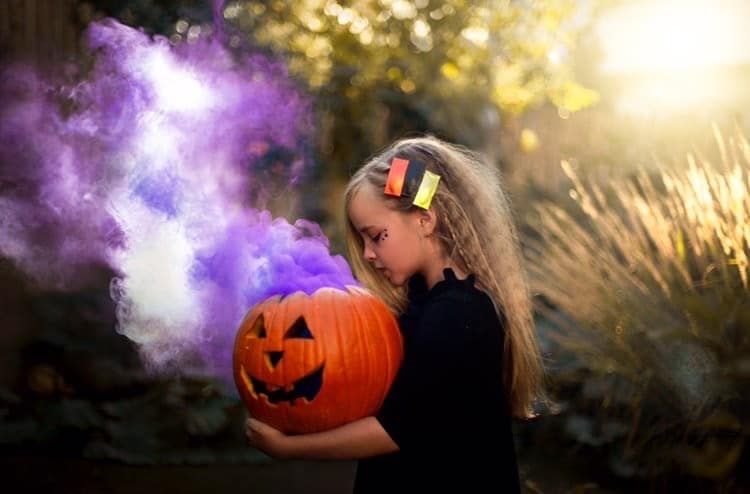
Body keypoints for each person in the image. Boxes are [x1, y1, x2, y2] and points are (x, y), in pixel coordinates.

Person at [245, 135, 544, 493]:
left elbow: (396, 430)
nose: (368, 254)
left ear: (425, 220)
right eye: (363, 241)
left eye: (377, 236)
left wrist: (288, 448)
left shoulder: (455, 316)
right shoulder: (425, 305)